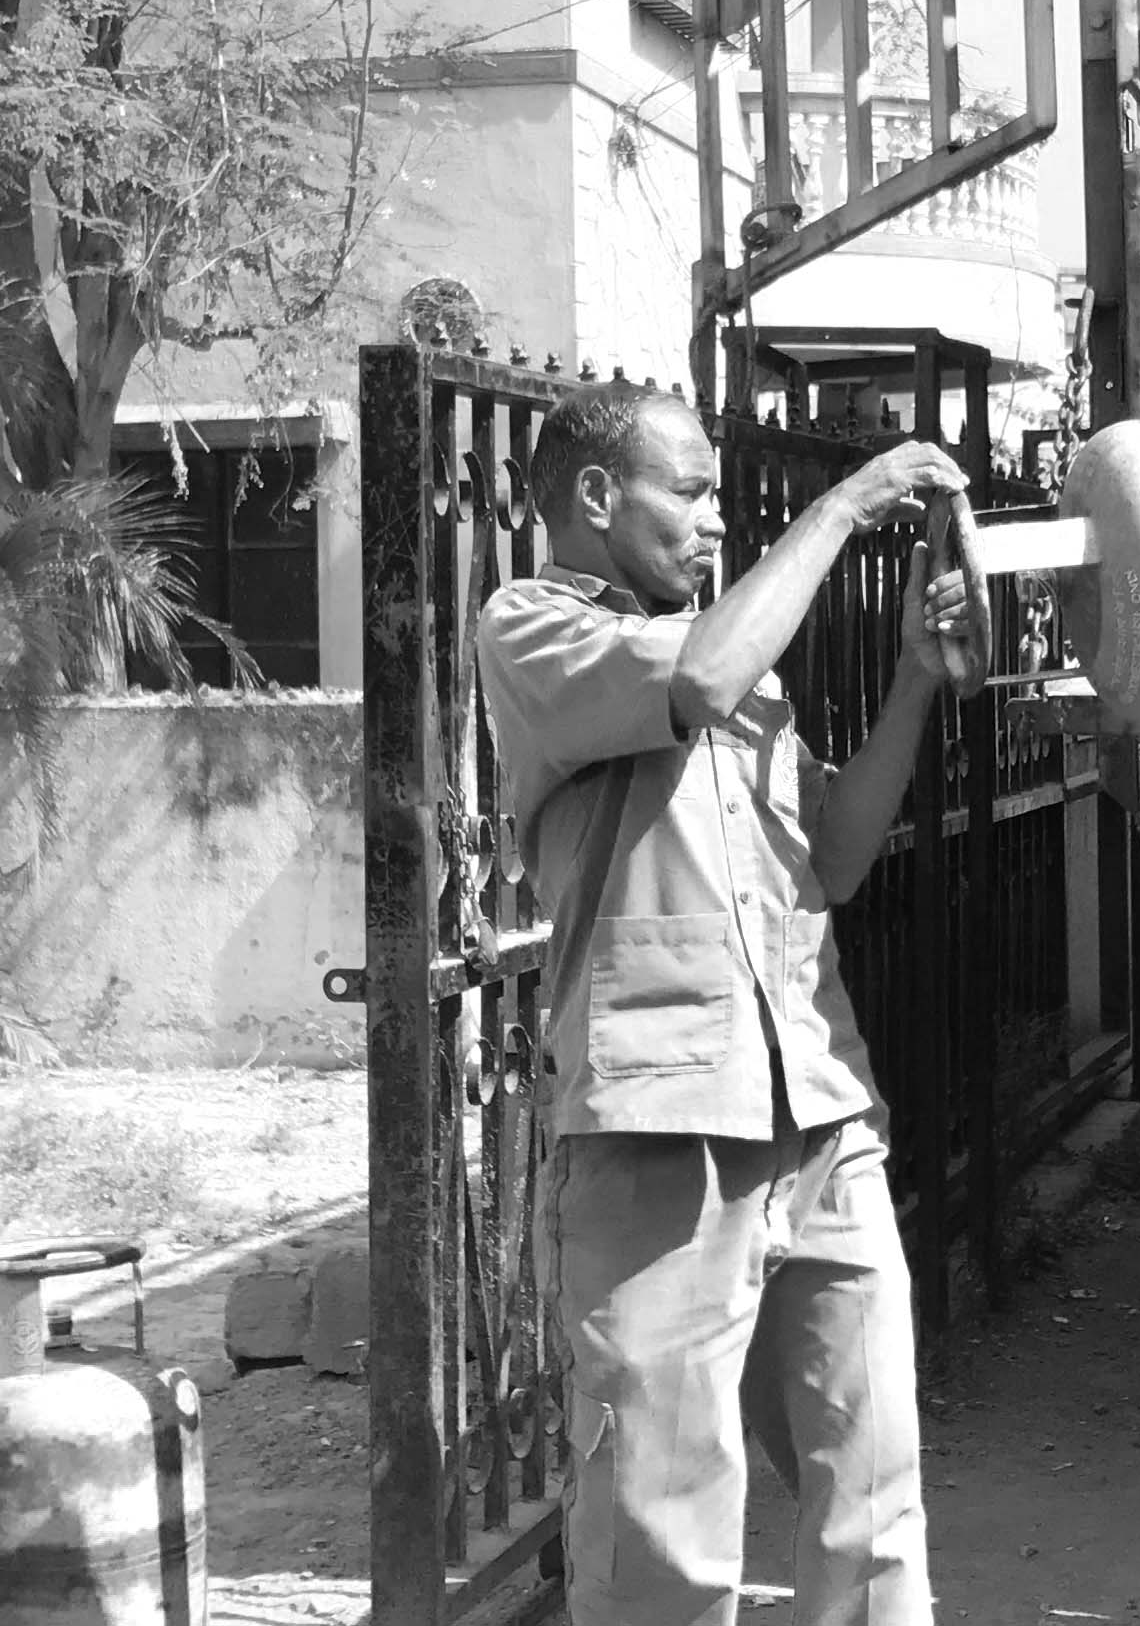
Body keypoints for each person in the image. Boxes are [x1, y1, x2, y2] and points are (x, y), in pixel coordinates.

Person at [475, 381, 974, 1626]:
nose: (713, 525)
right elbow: (694, 674)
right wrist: (850, 501)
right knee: (665, 1523)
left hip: (819, 1102)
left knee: (873, 1495)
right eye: (690, 493)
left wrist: (915, 678)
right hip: (661, 1120)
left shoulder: (742, 662)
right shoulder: (534, 626)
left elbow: (839, 857)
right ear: (596, 497)